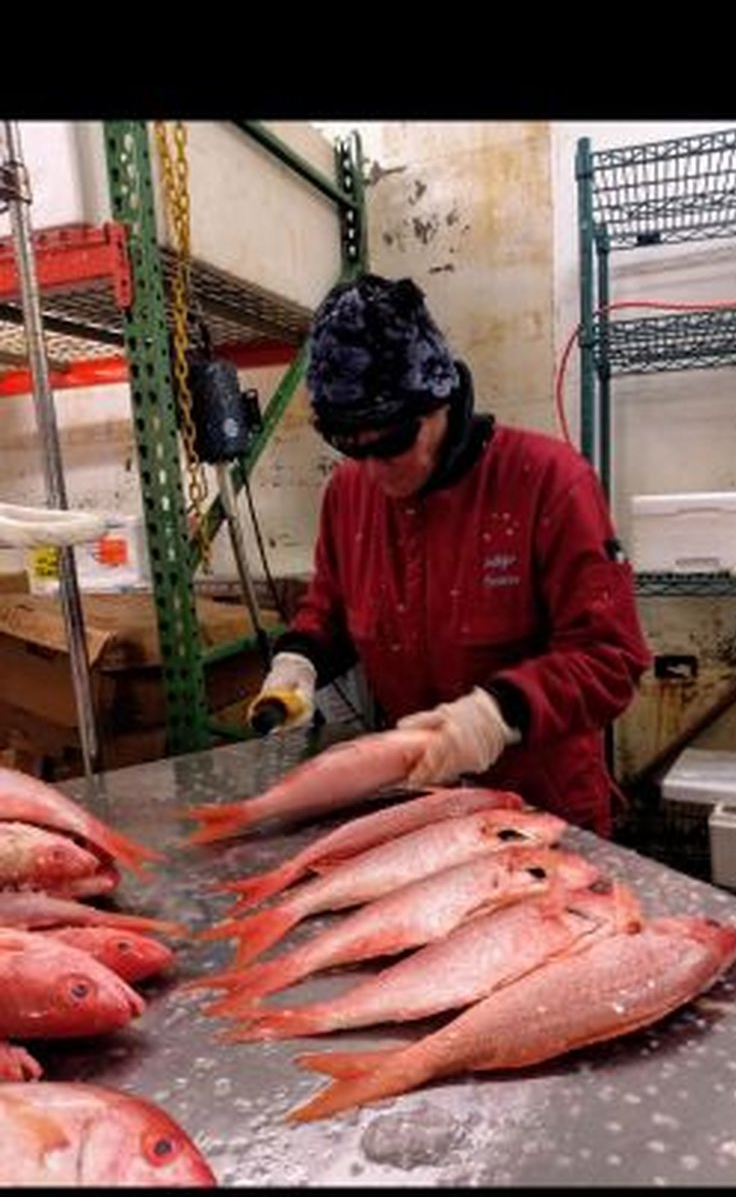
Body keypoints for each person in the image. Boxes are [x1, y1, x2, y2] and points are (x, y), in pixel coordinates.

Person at [247, 273, 651, 837]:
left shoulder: (549, 483)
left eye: (390, 442)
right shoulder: (348, 493)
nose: (372, 469)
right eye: (348, 446)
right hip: (422, 804)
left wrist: (496, 715)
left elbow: (611, 657)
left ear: (440, 398)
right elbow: (331, 610)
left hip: (543, 810)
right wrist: (301, 661)